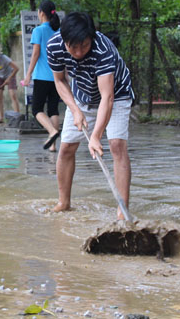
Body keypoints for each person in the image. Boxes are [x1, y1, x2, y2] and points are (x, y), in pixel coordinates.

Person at [46, 12, 134, 219]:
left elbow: (107, 97)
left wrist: (95, 136)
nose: (77, 52)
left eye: (83, 46)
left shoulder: (103, 50)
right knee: (66, 147)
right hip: (81, 96)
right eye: (72, 47)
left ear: (91, 38)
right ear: (64, 40)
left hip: (116, 95)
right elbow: (60, 81)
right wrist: (75, 110)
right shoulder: (54, 46)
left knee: (116, 145)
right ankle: (64, 202)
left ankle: (123, 211)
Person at [21, 0, 61, 151]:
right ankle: (53, 146)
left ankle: (52, 132)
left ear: (41, 13)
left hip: (42, 76)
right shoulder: (58, 31)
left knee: (36, 109)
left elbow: (36, 53)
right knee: (53, 109)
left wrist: (28, 74)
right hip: (57, 76)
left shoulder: (39, 31)